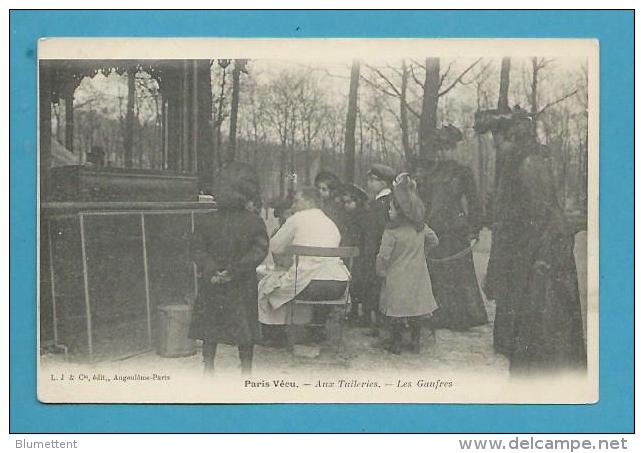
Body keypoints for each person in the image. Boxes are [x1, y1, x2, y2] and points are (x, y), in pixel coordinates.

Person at [474, 107, 587, 375]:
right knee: (528, 338)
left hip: (541, 263)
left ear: (512, 138)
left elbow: (544, 219)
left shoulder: (528, 165)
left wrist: (539, 261)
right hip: (527, 262)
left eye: (498, 142)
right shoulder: (517, 165)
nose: (496, 148)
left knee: (544, 335)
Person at [188, 162, 269, 376]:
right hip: (241, 283)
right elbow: (259, 251)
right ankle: (246, 370)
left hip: (212, 282)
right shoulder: (254, 222)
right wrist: (234, 270)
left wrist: (212, 269)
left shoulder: (205, 221)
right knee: (246, 329)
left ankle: (208, 367)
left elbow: (196, 249)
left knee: (209, 327)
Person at [411, 154, 488, 331]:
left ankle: (462, 316)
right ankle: (436, 313)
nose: (445, 151)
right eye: (441, 147)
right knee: (435, 272)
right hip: (435, 226)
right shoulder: (430, 172)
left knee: (459, 272)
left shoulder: (462, 172)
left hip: (456, 230)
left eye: (449, 146)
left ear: (455, 147)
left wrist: (474, 227)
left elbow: (473, 200)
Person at [258, 187, 350, 330]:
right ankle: (315, 330)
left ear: (309, 202)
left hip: (309, 285)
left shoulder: (297, 218)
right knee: (292, 279)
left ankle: (275, 332)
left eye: (297, 201)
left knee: (269, 286)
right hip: (339, 285)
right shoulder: (330, 223)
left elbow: (275, 246)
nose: (293, 206)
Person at [376, 173, 440, 354]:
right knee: (416, 311)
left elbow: (383, 256)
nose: (388, 212)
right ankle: (415, 342)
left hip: (397, 277)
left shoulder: (391, 232)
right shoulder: (421, 227)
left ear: (400, 210)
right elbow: (435, 240)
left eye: (391, 209)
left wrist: (380, 270)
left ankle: (395, 343)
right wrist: (423, 253)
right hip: (418, 276)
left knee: (396, 312)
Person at [362, 163, 397, 332]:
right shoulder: (384, 201)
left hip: (377, 252)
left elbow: (379, 230)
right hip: (379, 251)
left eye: (373, 180)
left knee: (377, 288)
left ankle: (380, 324)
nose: (369, 183)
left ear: (384, 183)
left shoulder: (382, 204)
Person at [338, 183, 369, 324]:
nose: (346, 205)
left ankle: (360, 311)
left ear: (358, 202)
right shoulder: (346, 215)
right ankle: (354, 310)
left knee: (358, 282)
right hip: (349, 250)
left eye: (349, 202)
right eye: (344, 202)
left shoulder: (362, 216)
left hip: (360, 253)